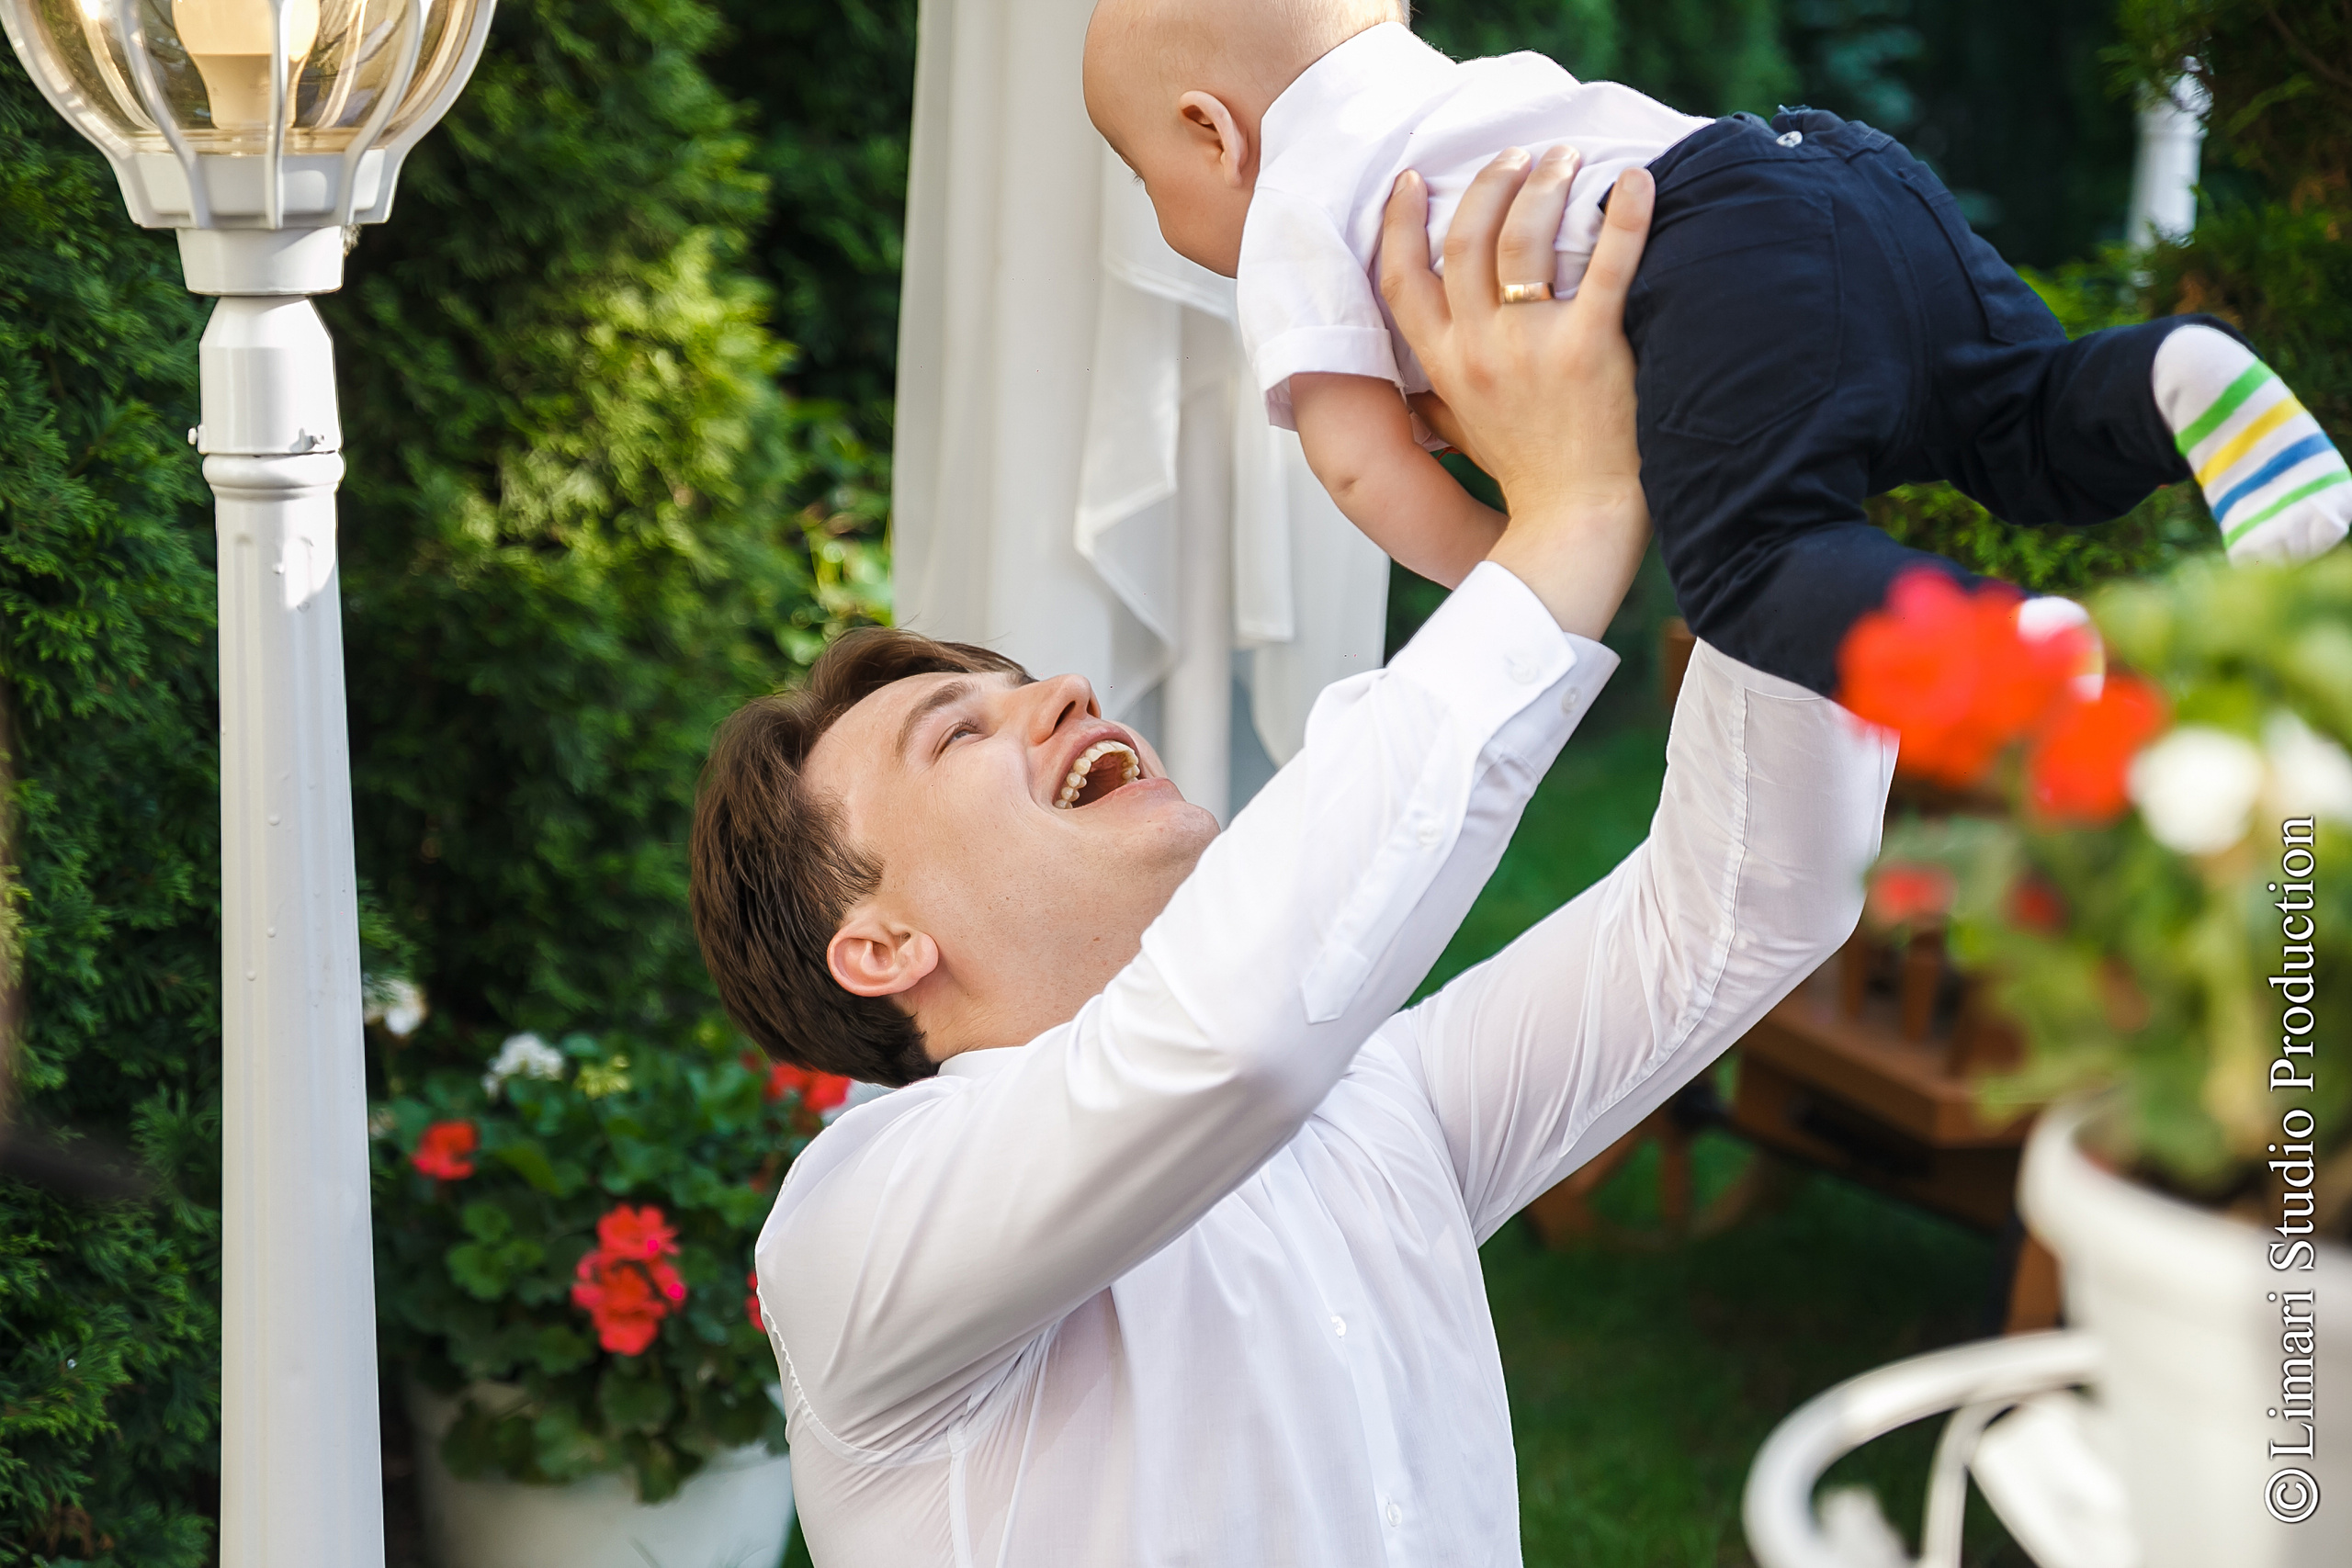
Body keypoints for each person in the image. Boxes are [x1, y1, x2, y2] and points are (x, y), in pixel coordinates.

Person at [690, 157, 1893, 1565]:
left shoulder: (1376, 1110)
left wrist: (1783, 489)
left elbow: (1748, 903)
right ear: (881, 946)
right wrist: (1563, 524)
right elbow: (1227, 1043)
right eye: (960, 733)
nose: (1061, 690)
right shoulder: (858, 1227)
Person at [1080, 0, 2351, 697]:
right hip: (1838, 174)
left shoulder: (1296, 206)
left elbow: (1363, 467)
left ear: (1211, 133)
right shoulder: (1467, 92)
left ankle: (2031, 664)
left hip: (1718, 261)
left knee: (1754, 572)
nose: (1164, 214)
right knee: (2021, 425)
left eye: (1145, 178)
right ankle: (2181, 375)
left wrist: (1508, 568)